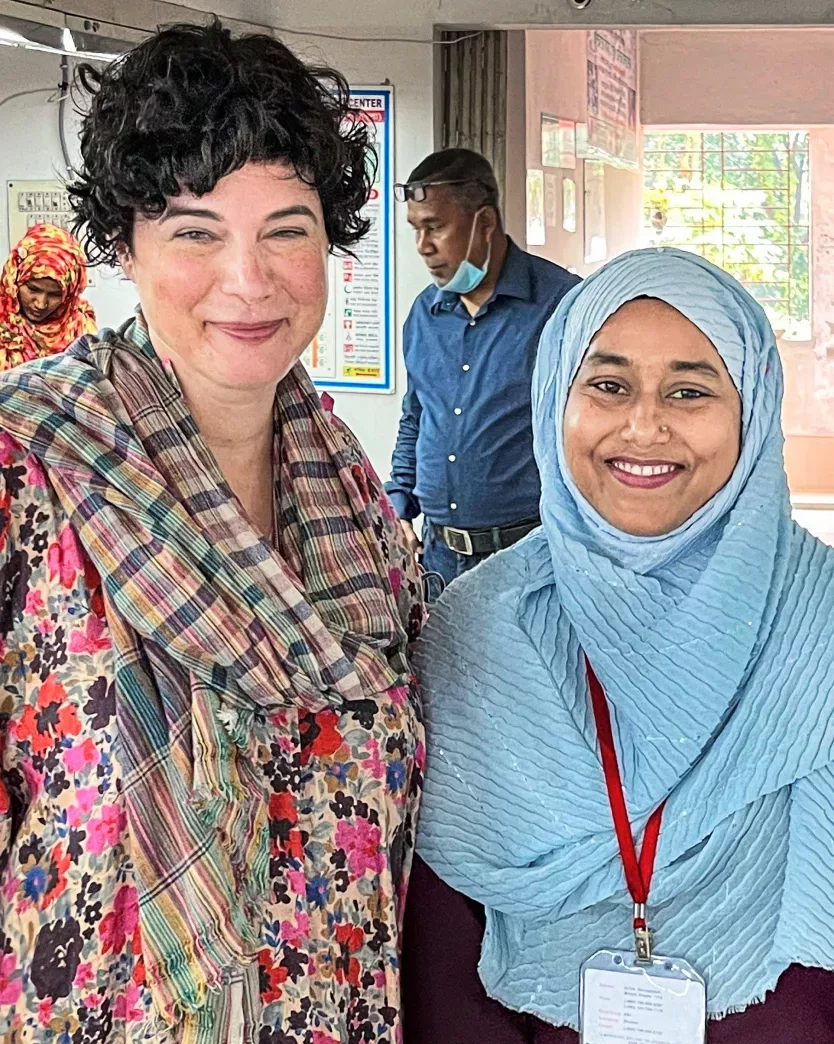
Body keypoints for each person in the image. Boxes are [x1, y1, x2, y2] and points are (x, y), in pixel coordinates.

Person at [0, 21, 424, 1044]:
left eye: (287, 228)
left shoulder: (351, 495)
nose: (248, 278)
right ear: (124, 245)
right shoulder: (27, 473)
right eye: (194, 230)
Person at [403, 247, 834, 1042]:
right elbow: (441, 949)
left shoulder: (823, 622)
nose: (645, 425)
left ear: (753, 410)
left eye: (691, 390)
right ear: (553, 399)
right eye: (607, 385)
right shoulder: (480, 628)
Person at [385, 149, 579, 597]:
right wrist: (398, 505)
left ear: (485, 223)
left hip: (528, 559)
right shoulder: (425, 315)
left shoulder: (560, 308)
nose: (423, 246)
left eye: (435, 227)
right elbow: (417, 415)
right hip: (437, 560)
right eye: (416, 229)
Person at [0, 223, 96, 370]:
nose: (41, 304)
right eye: (33, 289)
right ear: (14, 280)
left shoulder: (81, 330)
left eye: (55, 295)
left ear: (68, 296)